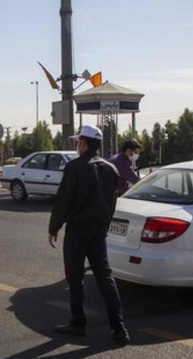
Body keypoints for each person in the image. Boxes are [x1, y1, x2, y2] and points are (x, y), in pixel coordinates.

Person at [47, 124, 130, 345]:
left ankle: (78, 323)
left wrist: (53, 228)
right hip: (99, 229)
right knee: (105, 276)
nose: (77, 146)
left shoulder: (75, 167)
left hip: (78, 229)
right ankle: (119, 328)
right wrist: (103, 224)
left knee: (75, 277)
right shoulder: (111, 170)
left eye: (78, 142)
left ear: (84, 143)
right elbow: (112, 203)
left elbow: (64, 200)